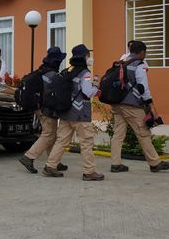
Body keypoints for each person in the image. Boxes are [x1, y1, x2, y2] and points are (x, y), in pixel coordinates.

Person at [43, 44, 104, 181]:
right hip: (80, 114)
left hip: (65, 112)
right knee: (86, 142)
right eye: (88, 55)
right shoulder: (85, 73)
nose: (90, 58)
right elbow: (88, 92)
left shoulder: (67, 71)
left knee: (61, 141)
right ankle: (89, 172)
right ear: (84, 56)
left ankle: (50, 166)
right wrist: (96, 88)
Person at [110, 41, 169, 173]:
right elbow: (143, 87)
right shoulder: (139, 64)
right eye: (145, 53)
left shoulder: (121, 61)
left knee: (118, 133)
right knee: (143, 133)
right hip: (131, 105)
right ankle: (155, 162)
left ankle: (116, 163)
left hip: (117, 103)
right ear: (142, 52)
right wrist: (150, 103)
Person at [18, 47, 68, 174]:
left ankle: (54, 161)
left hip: (39, 107)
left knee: (51, 134)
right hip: (46, 109)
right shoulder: (51, 74)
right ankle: (28, 157)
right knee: (49, 134)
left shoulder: (42, 71)